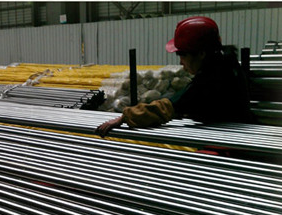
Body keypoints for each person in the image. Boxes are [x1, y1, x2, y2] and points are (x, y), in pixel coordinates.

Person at [97, 16, 253, 136]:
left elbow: (171, 106)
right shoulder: (225, 64)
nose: (180, 62)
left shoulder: (212, 79)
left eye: (183, 55)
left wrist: (125, 117)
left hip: (230, 145)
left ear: (201, 53)